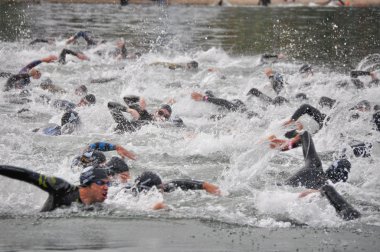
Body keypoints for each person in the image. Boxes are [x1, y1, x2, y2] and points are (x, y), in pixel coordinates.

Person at [274, 131, 361, 221]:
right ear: (342, 181)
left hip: (280, 189)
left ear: (330, 168)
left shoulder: (314, 165)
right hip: (291, 200)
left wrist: (290, 142)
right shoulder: (331, 190)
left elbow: (305, 134)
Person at [0, 165, 109, 212]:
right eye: (100, 183)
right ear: (87, 183)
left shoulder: (97, 208)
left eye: (108, 184)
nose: (106, 187)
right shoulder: (61, 187)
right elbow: (28, 175)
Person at [108, 95, 184, 133]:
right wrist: (130, 110)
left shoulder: (163, 129)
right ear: (155, 112)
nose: (162, 116)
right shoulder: (144, 114)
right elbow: (112, 104)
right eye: (161, 113)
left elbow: (181, 125)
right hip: (121, 130)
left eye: (166, 116)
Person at [191, 91, 259, 119]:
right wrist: (203, 98)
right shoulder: (238, 111)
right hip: (234, 104)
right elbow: (224, 102)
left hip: (233, 104)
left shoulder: (239, 115)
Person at [71, 141, 136, 169]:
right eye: (103, 163)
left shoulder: (79, 160)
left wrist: (116, 147)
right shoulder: (99, 177)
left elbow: (93, 146)